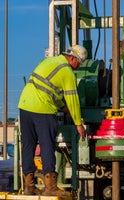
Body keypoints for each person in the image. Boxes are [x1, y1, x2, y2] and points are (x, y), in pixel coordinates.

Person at [18, 45, 87, 197]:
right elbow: (73, 99)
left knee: (28, 145)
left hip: (24, 104)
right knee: (47, 145)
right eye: (80, 63)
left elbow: (47, 87)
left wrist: (62, 107)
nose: (78, 66)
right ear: (73, 58)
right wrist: (78, 123)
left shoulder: (49, 61)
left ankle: (29, 186)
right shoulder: (67, 72)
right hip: (42, 109)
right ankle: (50, 187)